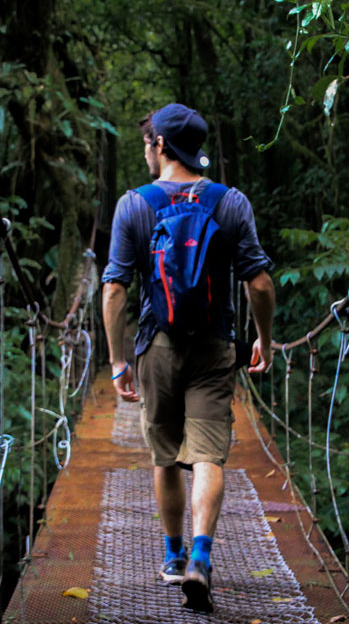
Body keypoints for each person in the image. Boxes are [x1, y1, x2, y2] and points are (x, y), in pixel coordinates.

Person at [101, 103, 275, 613]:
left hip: (155, 346)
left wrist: (117, 361)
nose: (146, 153)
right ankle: (202, 554)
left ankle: (173, 558)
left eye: (147, 145)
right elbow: (258, 281)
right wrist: (262, 336)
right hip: (215, 344)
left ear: (160, 145)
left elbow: (114, 290)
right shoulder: (230, 202)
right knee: (207, 454)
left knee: (165, 455)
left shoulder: (134, 204)